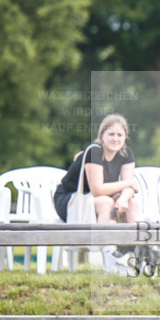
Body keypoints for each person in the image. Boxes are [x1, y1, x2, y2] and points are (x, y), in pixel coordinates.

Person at [54, 114, 140, 275]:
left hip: (99, 199)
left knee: (131, 204)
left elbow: (130, 187)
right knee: (107, 203)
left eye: (120, 135)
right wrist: (128, 185)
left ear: (125, 137)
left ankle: (139, 256)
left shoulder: (126, 153)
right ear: (102, 136)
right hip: (70, 200)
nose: (116, 139)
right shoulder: (95, 151)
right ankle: (110, 261)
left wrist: (123, 198)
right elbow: (97, 190)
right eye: (111, 134)